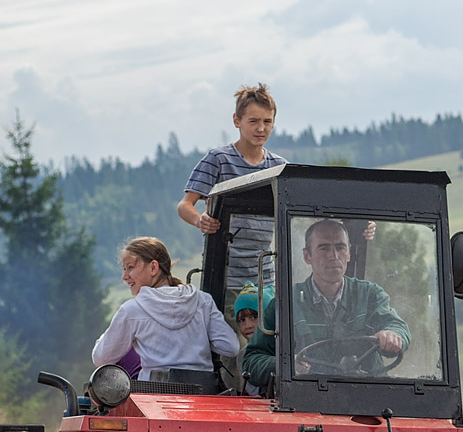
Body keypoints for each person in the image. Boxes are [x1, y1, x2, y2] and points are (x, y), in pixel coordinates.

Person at [242, 219, 409, 389]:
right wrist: (286, 365)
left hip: (366, 395)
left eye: (340, 247)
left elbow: (397, 326)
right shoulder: (286, 303)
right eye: (324, 248)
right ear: (307, 256)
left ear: (349, 253)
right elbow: (251, 361)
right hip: (306, 397)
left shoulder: (369, 295)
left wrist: (392, 335)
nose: (334, 256)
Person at [178, 83, 285, 292]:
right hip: (224, 278)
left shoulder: (279, 167)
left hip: (265, 279)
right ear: (237, 121)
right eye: (253, 121)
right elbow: (184, 206)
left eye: (267, 121)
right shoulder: (218, 160)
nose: (261, 128)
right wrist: (200, 221)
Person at [92, 237, 240, 386]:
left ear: (153, 267)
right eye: (124, 269)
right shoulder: (203, 301)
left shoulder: (132, 311)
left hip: (154, 393)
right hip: (202, 392)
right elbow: (230, 347)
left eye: (130, 267)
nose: (124, 277)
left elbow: (101, 358)